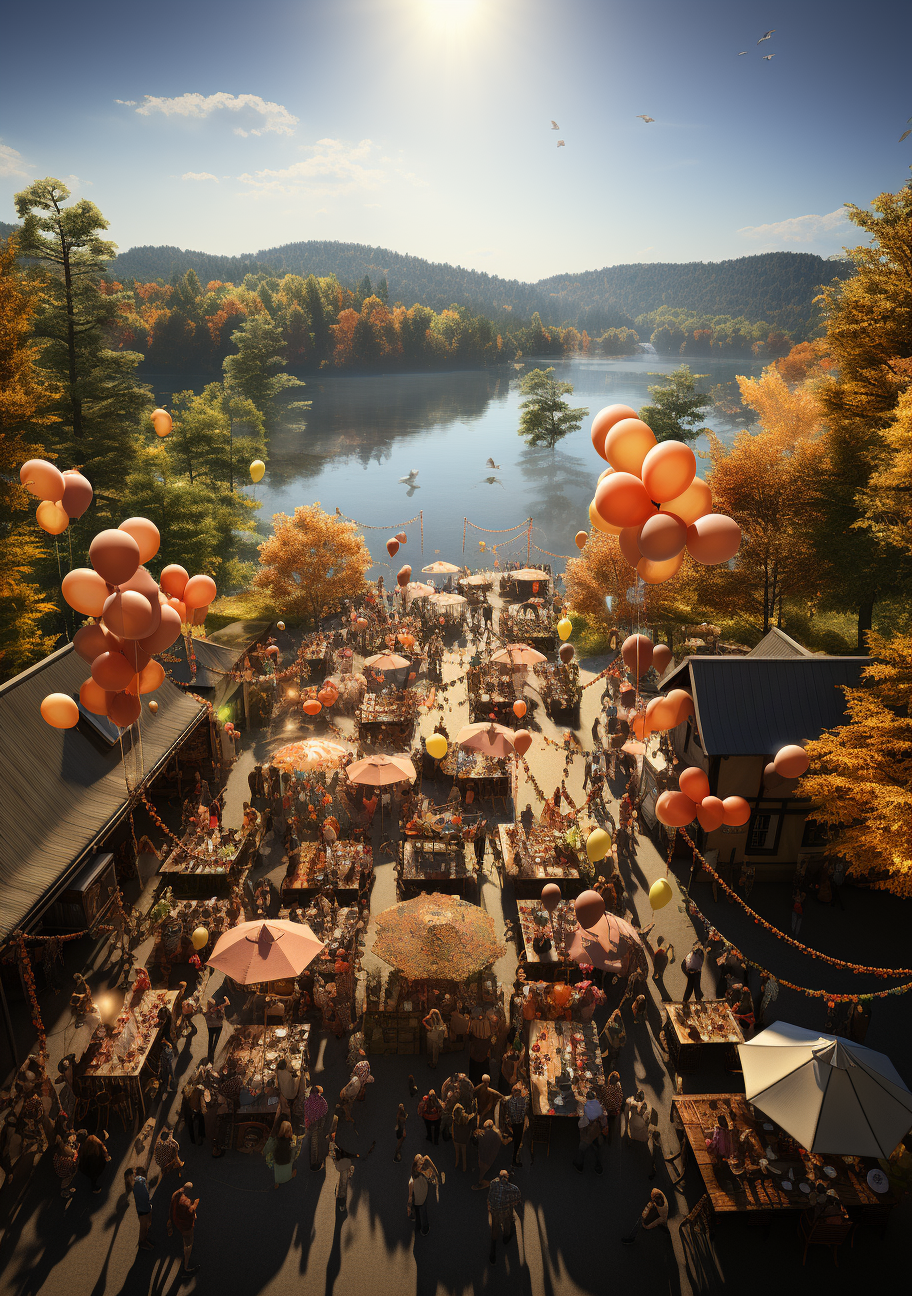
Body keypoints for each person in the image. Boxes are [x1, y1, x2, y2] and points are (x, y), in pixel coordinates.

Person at [487, 1169, 522, 1264]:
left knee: (495, 1228)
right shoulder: (513, 1188)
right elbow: (517, 1199)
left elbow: (490, 1196)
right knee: (507, 1225)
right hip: (505, 1211)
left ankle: (493, 1252)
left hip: (495, 1211)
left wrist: (490, 1207)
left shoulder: (493, 1183)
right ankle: (506, 1238)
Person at [168, 1181, 199, 1275]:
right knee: (188, 1244)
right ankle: (186, 1267)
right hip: (186, 1226)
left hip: (176, 1221)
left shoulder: (176, 1193)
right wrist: (195, 1204)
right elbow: (191, 1213)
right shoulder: (186, 1203)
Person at [264, 1111, 302, 1187]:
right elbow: (296, 1153)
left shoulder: (274, 1139)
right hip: (289, 1162)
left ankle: (276, 1181)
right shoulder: (293, 1140)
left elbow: (266, 1151)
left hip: (275, 1163)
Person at [472, 1119, 511, 1190]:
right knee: (485, 1172)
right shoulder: (496, 1135)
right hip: (491, 1159)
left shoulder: (481, 1135)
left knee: (482, 1171)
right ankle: (484, 1182)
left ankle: (480, 1181)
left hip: (482, 1157)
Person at [624, 1090, 656, 1177]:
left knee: (634, 1136)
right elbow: (648, 1122)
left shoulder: (630, 1102)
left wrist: (627, 1125)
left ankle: (631, 1142)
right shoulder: (648, 1108)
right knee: (649, 1145)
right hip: (641, 1131)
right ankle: (651, 1166)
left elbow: (626, 1115)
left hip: (634, 1128)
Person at [574, 1090, 606, 1173]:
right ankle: (598, 1167)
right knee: (597, 1149)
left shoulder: (586, 1107)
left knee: (582, 1149)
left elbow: (582, 1122)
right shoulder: (599, 1106)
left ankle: (579, 1166)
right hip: (597, 1131)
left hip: (588, 1132)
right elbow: (603, 1120)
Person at [407, 1153, 439, 1236]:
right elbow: (433, 1178)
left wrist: (409, 1198)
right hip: (422, 1196)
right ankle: (425, 1229)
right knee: (423, 1212)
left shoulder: (414, 1172)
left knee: (415, 1207)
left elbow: (410, 1185)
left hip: (415, 1194)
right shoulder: (426, 1172)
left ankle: (413, 1217)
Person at [304, 1084, 329, 1170]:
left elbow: (306, 1111)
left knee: (311, 1139)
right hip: (318, 1123)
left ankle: (310, 1159)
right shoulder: (321, 1100)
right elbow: (325, 1109)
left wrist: (311, 1119)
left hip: (311, 1123)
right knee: (315, 1142)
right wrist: (319, 1117)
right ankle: (314, 1163)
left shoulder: (307, 1101)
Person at [77, 1129, 110, 1193]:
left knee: (92, 1175)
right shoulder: (92, 1138)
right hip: (97, 1163)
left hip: (85, 1166)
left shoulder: (81, 1146)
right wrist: (107, 1156)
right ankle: (94, 1188)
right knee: (94, 1175)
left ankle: (94, 1186)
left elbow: (80, 1157)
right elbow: (102, 1147)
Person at [505, 1084, 529, 1166]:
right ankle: (514, 1160)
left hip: (513, 1122)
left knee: (514, 1136)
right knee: (518, 1141)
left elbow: (509, 1111)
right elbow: (525, 1110)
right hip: (519, 1123)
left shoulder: (510, 1101)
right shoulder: (523, 1101)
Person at [130, 1166, 153, 1247]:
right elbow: (145, 1196)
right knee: (143, 1228)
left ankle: (145, 1235)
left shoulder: (138, 1182)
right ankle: (142, 1242)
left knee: (146, 1224)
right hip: (143, 1210)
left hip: (144, 1208)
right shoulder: (140, 1181)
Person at [53, 1131, 79, 1198]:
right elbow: (72, 1167)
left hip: (60, 1163)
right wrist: (75, 1155)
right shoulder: (67, 1159)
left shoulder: (62, 1145)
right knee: (67, 1179)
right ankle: (65, 1191)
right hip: (64, 1170)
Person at [451, 1103, 475, 1171]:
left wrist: (453, 1138)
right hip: (464, 1140)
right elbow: (473, 1116)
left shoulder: (454, 1121)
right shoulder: (467, 1120)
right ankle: (464, 1167)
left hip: (456, 1139)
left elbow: (453, 1130)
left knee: (457, 1153)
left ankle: (457, 1162)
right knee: (464, 1154)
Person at [203, 999, 225, 1065]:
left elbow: (223, 1017)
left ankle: (211, 1060)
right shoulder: (208, 1005)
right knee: (210, 1043)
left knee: (215, 1043)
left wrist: (220, 1011)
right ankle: (209, 1059)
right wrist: (210, 1012)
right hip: (210, 1026)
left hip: (218, 1026)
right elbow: (204, 1015)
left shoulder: (219, 1005)